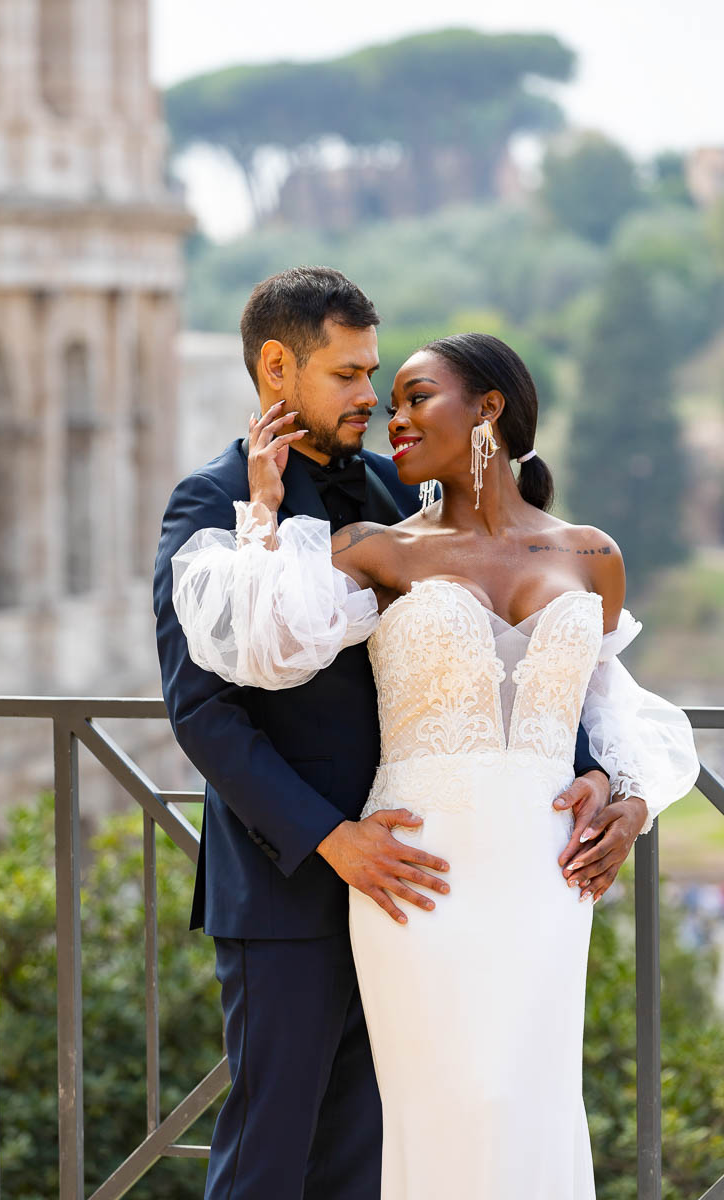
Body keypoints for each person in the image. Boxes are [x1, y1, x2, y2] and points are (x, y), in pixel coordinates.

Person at [155, 270, 646, 1200]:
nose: (372, 399)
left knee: (384, 1157)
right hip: (294, 884)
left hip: (452, 876)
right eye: (348, 375)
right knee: (271, 1154)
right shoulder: (211, 502)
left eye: (378, 374)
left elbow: (518, 670)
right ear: (275, 367)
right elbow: (203, 710)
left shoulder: (399, 490)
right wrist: (332, 839)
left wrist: (601, 776)